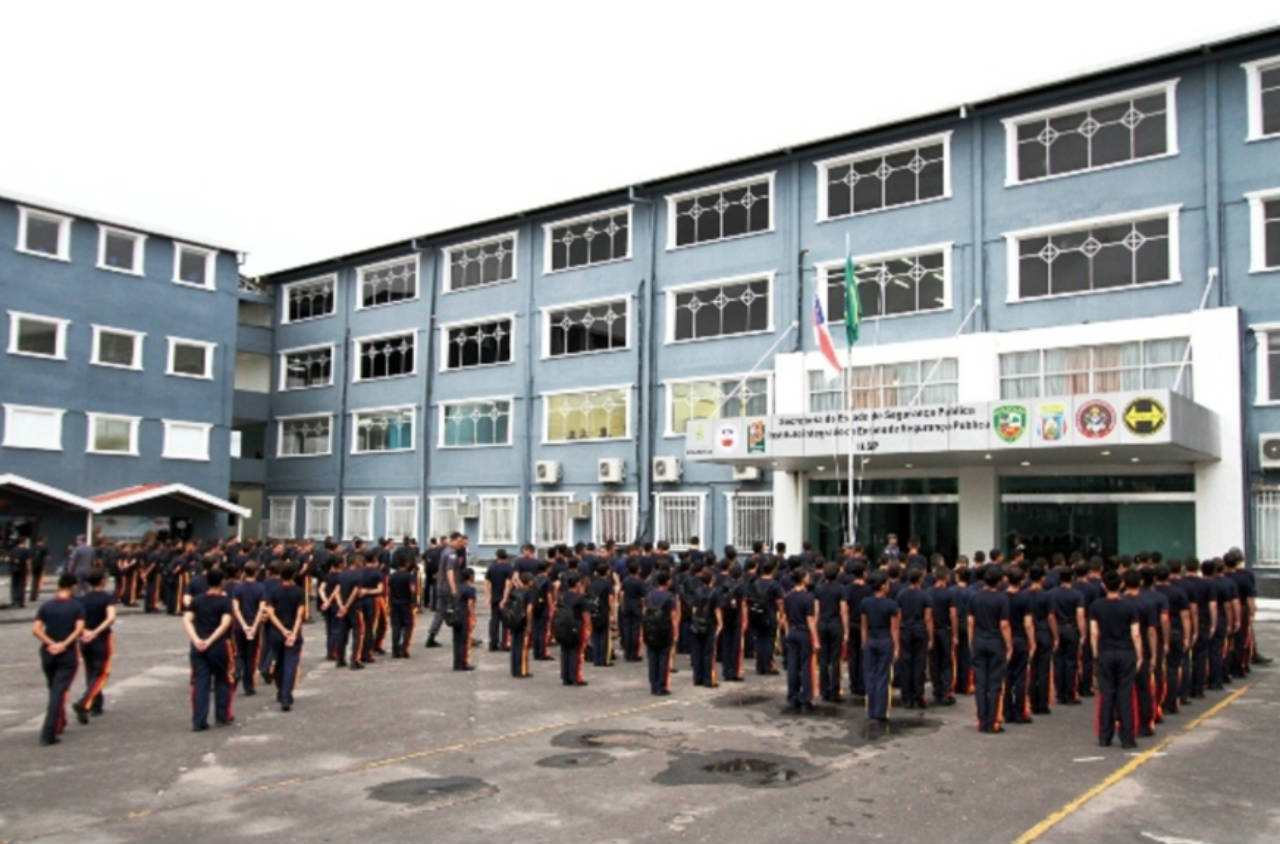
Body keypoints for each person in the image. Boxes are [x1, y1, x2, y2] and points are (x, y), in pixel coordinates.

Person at [1090, 569, 1143, 749]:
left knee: (1107, 694)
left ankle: (1105, 736)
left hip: (1105, 651)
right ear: (1121, 585)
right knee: (1125, 694)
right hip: (1126, 651)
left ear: (1103, 585)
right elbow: (1135, 634)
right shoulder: (1130, 606)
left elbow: (1094, 632)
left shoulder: (1096, 606)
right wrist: (1139, 654)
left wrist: (1095, 654)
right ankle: (1127, 737)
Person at [32, 574, 85, 745]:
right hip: (67, 652)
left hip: (48, 652)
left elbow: (36, 629)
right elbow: (79, 629)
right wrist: (64, 644)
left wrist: (51, 643)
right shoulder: (76, 606)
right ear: (73, 587)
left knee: (53, 687)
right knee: (58, 692)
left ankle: (59, 721)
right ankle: (49, 731)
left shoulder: (47, 606)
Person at [181, 568, 235, 731]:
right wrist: (211, 640)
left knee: (201, 683)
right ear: (222, 582)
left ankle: (199, 720)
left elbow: (187, 620)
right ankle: (221, 716)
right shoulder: (225, 601)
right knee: (222, 680)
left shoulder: (197, 600)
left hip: (198, 645)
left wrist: (196, 639)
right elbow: (225, 624)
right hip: (218, 645)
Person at [969, 566, 1012, 734]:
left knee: (981, 683)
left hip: (979, 640)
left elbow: (971, 621)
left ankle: (982, 719)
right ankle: (992, 720)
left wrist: (972, 641)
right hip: (995, 641)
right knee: (995, 684)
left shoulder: (975, 597)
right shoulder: (1002, 599)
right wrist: (1009, 645)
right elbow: (1004, 625)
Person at [72, 570, 116, 723]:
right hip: (101, 638)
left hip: (84, 638)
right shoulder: (107, 598)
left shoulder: (82, 599)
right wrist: (96, 631)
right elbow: (111, 618)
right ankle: (84, 702)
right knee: (102, 672)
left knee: (90, 671)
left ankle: (96, 704)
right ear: (102, 581)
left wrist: (85, 632)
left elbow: (76, 620)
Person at [860, 571, 900, 725]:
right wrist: (896, 646)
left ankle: (870, 709)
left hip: (871, 639)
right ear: (883, 586)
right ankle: (880, 710)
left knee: (871, 674)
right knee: (883, 676)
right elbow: (894, 629)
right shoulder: (891, 604)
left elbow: (864, 625)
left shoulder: (865, 602)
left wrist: (865, 641)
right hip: (885, 640)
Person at [264, 564, 305, 711]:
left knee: (279, 662)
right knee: (290, 664)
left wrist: (282, 630)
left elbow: (270, 613)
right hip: (293, 631)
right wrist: (293, 632)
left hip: (276, 632)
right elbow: (300, 614)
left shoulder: (274, 591)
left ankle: (281, 690)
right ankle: (286, 696)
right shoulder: (299, 592)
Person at [896, 567, 934, 709]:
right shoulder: (925, 596)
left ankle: (906, 696)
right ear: (920, 579)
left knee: (906, 663)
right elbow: (928, 618)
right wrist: (930, 636)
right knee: (919, 663)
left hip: (905, 630)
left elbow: (898, 616)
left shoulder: (901, 595)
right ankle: (918, 695)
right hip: (919, 631)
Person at [783, 568, 819, 712]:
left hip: (792, 631)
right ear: (803, 578)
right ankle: (806, 697)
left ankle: (793, 695)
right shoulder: (808, 597)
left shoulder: (788, 596)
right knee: (805, 666)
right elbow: (810, 620)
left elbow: (784, 617)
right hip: (804, 632)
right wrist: (815, 638)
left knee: (792, 665)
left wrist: (787, 632)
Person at [1050, 567, 1086, 706]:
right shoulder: (1077, 595)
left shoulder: (1051, 594)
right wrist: (1083, 633)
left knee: (1058, 662)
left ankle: (1060, 693)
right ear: (1072, 578)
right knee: (1071, 662)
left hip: (1057, 628)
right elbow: (1080, 615)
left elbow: (1051, 614)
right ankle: (1070, 693)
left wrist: (1054, 633)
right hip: (1071, 629)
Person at [814, 562, 847, 703]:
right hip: (835, 624)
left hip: (822, 623)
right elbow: (843, 611)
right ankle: (835, 689)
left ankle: (824, 689)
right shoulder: (841, 589)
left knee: (823, 658)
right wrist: (845, 630)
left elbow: (816, 610)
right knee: (835, 659)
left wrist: (815, 628)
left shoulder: (819, 589)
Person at [643, 570, 679, 695]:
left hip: (651, 629)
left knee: (652, 658)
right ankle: (661, 686)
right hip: (664, 630)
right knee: (664, 659)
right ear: (668, 582)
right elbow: (673, 617)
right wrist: (675, 633)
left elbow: (645, 612)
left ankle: (653, 685)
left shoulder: (649, 595)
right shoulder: (670, 597)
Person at [232, 562, 264, 696]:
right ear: (256, 572)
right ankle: (248, 685)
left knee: (240, 652)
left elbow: (235, 608)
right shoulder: (261, 588)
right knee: (251, 656)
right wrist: (254, 626)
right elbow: (261, 609)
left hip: (240, 625)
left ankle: (237, 670)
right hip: (253, 624)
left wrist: (243, 625)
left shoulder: (238, 588)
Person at [688, 567, 723, 687]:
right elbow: (717, 609)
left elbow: (694, 609)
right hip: (710, 623)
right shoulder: (715, 593)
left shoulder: (697, 592)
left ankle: (697, 678)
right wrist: (720, 623)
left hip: (697, 623)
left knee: (697, 651)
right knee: (708, 652)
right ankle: (708, 679)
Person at [504, 571, 535, 678]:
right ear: (529, 582)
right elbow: (529, 609)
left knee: (515, 644)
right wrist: (529, 624)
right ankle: (522, 670)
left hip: (514, 620)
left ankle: (514, 669)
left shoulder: (515, 591)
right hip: (523, 621)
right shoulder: (529, 593)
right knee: (522, 646)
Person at [388, 555, 418, 658]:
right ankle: (404, 649)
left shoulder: (392, 576)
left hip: (394, 603)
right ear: (406, 564)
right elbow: (412, 589)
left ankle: (395, 650)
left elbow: (388, 590)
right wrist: (414, 601)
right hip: (406, 603)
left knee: (396, 627)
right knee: (408, 626)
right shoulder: (409, 576)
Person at [485, 549, 514, 651]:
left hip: (494, 597)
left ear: (497, 556)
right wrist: (505, 599)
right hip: (504, 598)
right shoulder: (509, 568)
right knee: (506, 621)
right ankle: (505, 643)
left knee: (494, 620)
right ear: (506, 557)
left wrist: (488, 597)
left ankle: (493, 643)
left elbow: (487, 583)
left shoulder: (491, 567)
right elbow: (508, 584)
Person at [452, 567, 477, 671]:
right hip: (464, 615)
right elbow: (470, 604)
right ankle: (463, 663)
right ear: (470, 577)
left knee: (457, 640)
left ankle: (457, 663)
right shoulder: (470, 589)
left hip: (456, 615)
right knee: (465, 641)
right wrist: (473, 616)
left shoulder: (457, 587)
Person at [8, 536, 31, 608]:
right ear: (23, 542)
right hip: (22, 570)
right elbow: (28, 561)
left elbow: (8, 559)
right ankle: (20, 602)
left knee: (14, 585)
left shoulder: (13, 550)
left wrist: (12, 563)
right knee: (21, 585)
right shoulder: (26, 550)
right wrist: (29, 571)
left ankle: (14, 601)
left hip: (14, 570)